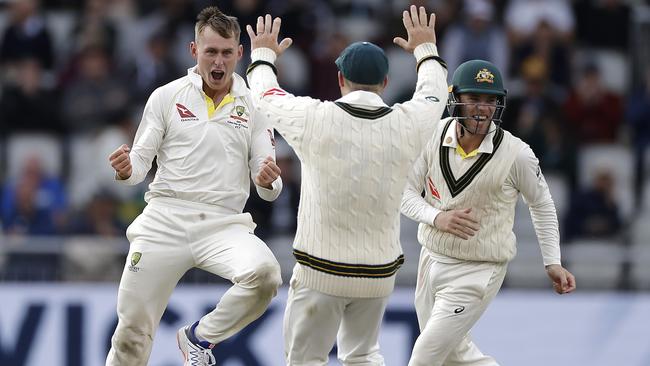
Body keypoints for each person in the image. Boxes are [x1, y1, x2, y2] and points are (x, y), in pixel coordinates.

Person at [246, 6, 448, 365]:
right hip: (378, 274)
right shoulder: (407, 124)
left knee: (305, 359)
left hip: (320, 271)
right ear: (385, 84)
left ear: (340, 79)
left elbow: (264, 94)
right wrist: (426, 50)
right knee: (363, 355)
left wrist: (263, 54)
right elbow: (434, 94)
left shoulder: (315, 118)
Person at [105, 6, 283, 366]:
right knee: (130, 337)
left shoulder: (254, 104)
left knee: (266, 275)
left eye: (226, 53)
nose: (218, 62)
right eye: (210, 52)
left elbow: (268, 184)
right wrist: (126, 170)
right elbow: (139, 165)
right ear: (193, 51)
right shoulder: (166, 96)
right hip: (165, 220)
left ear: (239, 53)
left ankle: (199, 337)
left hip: (222, 223)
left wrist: (269, 181)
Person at [400, 59, 576, 366]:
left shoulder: (517, 154)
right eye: (474, 99)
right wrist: (436, 217)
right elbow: (403, 192)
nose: (483, 108)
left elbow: (542, 205)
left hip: (479, 269)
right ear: (455, 98)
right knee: (456, 356)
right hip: (431, 260)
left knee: (423, 358)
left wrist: (553, 262)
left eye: (490, 100)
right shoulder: (432, 134)